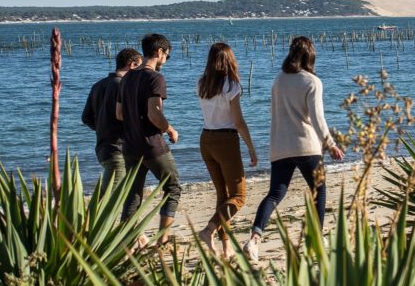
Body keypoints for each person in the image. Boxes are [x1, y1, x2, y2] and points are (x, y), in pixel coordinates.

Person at [244, 36, 344, 261]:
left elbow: (275, 113)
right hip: (307, 146)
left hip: (280, 146)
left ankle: (254, 240)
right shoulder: (312, 81)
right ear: (311, 56)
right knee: (319, 191)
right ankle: (317, 238)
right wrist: (330, 144)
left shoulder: (279, 80)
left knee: (275, 194)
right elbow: (318, 118)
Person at [116, 33, 181, 243]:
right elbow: (155, 113)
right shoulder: (155, 78)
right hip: (151, 145)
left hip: (130, 145)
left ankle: (128, 242)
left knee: (134, 194)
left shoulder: (127, 78)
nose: (165, 61)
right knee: (172, 188)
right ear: (159, 52)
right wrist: (170, 129)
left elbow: (119, 114)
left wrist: (136, 119)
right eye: (166, 56)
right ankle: (163, 240)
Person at [196, 42, 259, 257]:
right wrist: (251, 147)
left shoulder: (202, 84)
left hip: (206, 139)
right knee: (239, 197)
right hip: (226, 140)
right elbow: (238, 121)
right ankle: (209, 229)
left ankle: (225, 247)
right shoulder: (231, 85)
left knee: (223, 196)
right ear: (229, 60)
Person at [82, 47, 142, 194]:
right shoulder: (125, 86)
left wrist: (103, 127)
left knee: (113, 195)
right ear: (132, 65)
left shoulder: (98, 85)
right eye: (139, 67)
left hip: (103, 148)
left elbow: (86, 117)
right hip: (118, 149)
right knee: (108, 200)